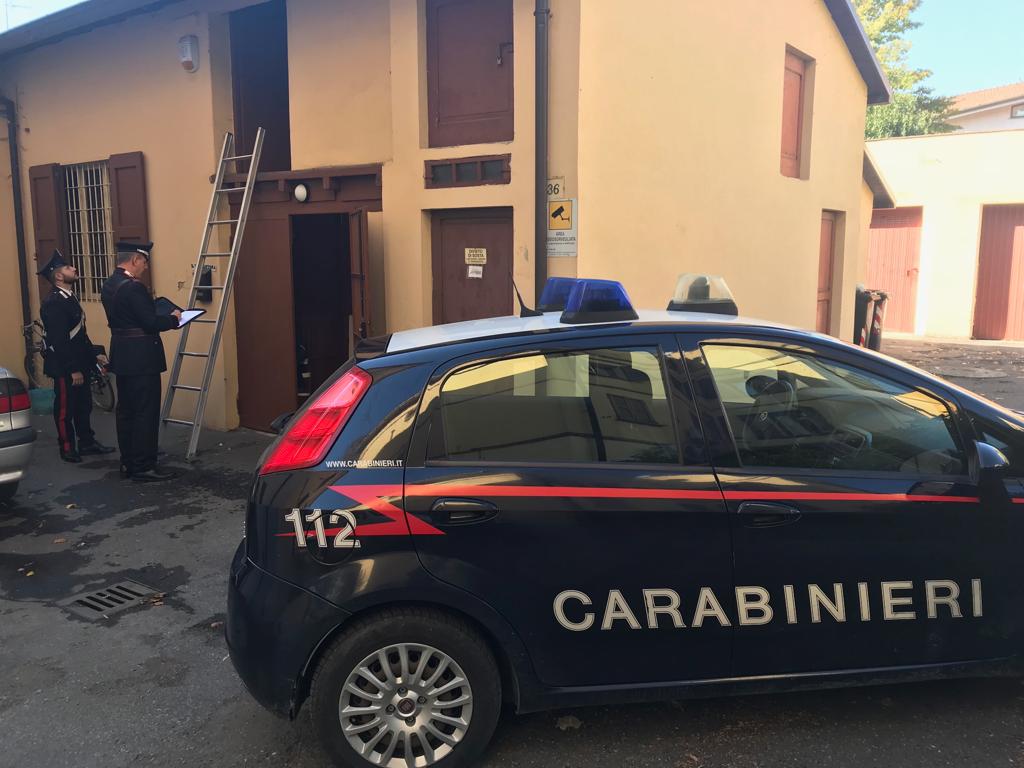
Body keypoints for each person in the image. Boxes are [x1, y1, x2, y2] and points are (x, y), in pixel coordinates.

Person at [100, 241, 181, 482]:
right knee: (145, 411)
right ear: (135, 259)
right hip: (142, 358)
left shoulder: (110, 284)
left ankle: (129, 461)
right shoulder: (134, 288)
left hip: (123, 355)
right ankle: (144, 465)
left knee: (127, 411)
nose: (145, 267)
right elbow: (150, 322)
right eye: (144, 262)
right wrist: (174, 318)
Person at [37, 250, 116, 463]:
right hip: (65, 366)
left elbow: (79, 334)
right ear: (59, 276)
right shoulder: (54, 302)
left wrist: (94, 356)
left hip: (80, 362)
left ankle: (87, 442)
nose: (74, 268)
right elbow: (59, 340)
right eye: (67, 267)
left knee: (83, 405)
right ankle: (67, 447)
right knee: (65, 408)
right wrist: (73, 369)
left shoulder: (69, 297)